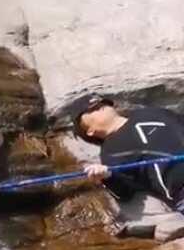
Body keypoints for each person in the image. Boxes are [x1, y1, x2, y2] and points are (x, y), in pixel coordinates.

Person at [70, 94, 184, 232]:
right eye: (91, 110)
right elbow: (124, 191)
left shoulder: (152, 112)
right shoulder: (110, 152)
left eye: (102, 103)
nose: (100, 107)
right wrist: (107, 176)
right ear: (89, 131)